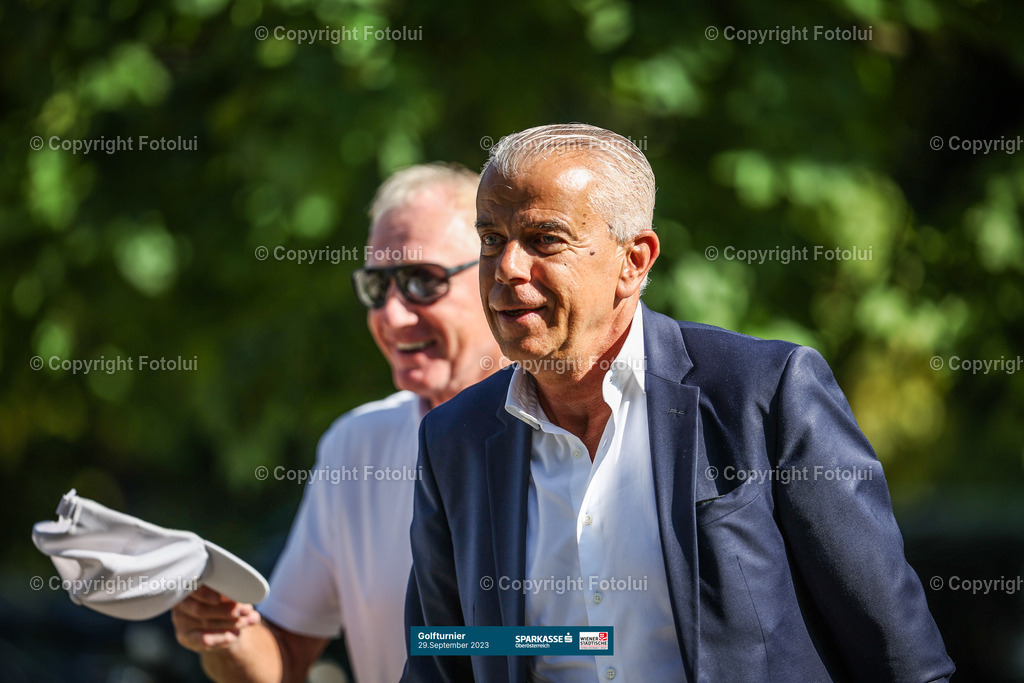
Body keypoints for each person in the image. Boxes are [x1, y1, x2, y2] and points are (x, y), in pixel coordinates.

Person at [402, 124, 956, 682]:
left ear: (634, 261)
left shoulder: (764, 393)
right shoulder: (456, 439)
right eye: (492, 239)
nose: (507, 269)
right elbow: (441, 660)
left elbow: (902, 659)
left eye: (545, 239)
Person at [172, 162, 503, 682]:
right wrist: (224, 631)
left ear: (497, 277)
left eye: (422, 280)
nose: (391, 316)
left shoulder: (579, 429)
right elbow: (284, 657)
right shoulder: (358, 444)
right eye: (377, 286)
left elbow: (607, 639)